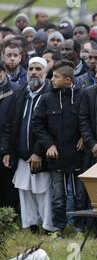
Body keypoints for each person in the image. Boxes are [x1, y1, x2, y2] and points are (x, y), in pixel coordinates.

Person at [32, 61, 87, 235]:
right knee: (58, 196)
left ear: (68, 80)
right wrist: (48, 144)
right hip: (56, 156)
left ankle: (79, 227)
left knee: (80, 194)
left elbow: (89, 120)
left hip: (78, 154)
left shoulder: (82, 96)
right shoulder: (47, 98)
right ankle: (59, 227)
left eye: (56, 76)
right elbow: (37, 124)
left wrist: (84, 137)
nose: (52, 79)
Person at [0, 57, 53, 234]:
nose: (34, 72)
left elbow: (49, 127)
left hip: (41, 154)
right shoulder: (21, 91)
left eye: (38, 69)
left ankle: (47, 227)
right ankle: (31, 226)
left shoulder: (51, 93)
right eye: (31, 69)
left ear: (46, 72)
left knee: (43, 192)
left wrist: (38, 152)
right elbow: (11, 123)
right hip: (22, 154)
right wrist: (7, 150)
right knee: (25, 190)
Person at [0, 62, 20, 212]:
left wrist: (7, 149)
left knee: (8, 184)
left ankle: (9, 218)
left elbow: (14, 121)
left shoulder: (16, 90)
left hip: (8, 145)